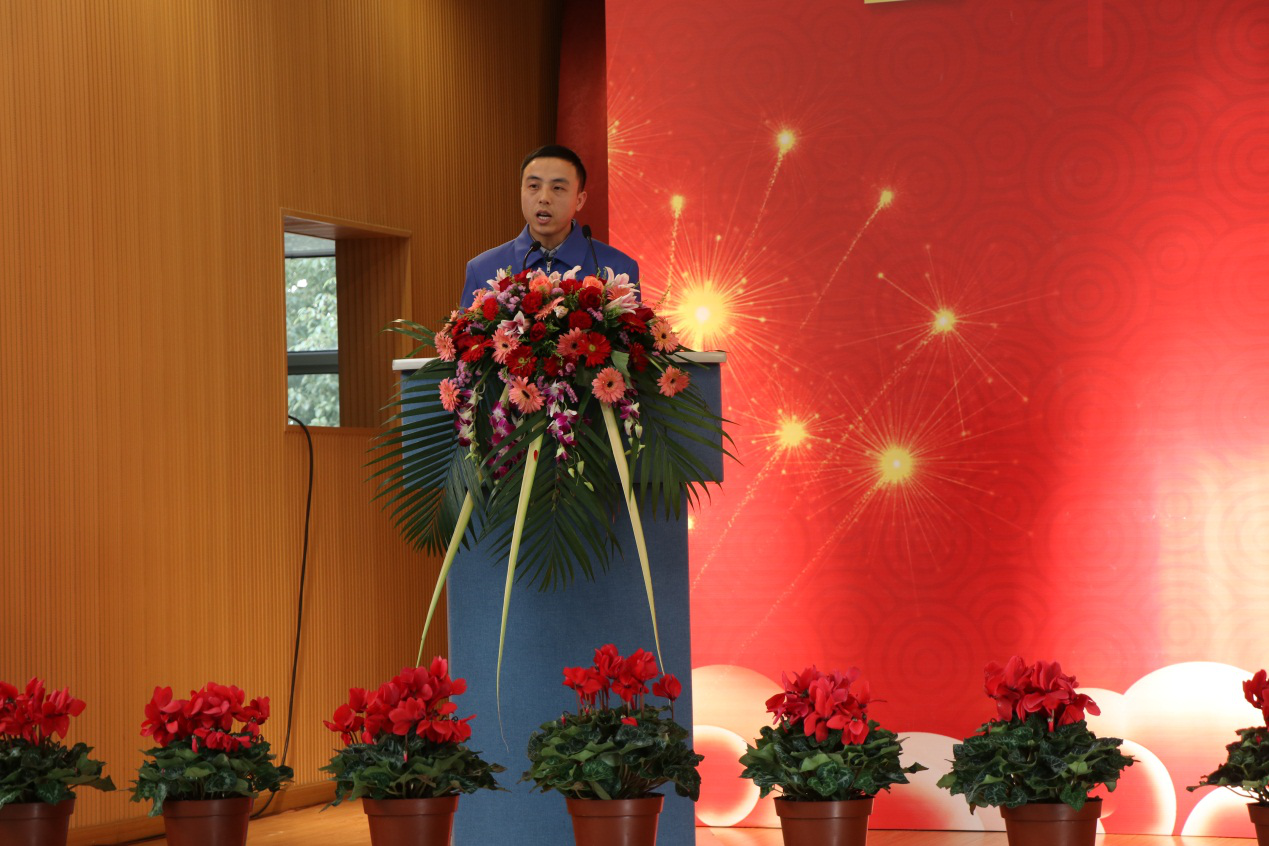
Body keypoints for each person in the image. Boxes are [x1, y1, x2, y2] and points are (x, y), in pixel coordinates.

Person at [462, 145, 639, 305]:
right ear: (521, 192)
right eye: (534, 186)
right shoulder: (482, 269)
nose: (544, 198)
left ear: (579, 200)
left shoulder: (619, 269)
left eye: (557, 188)